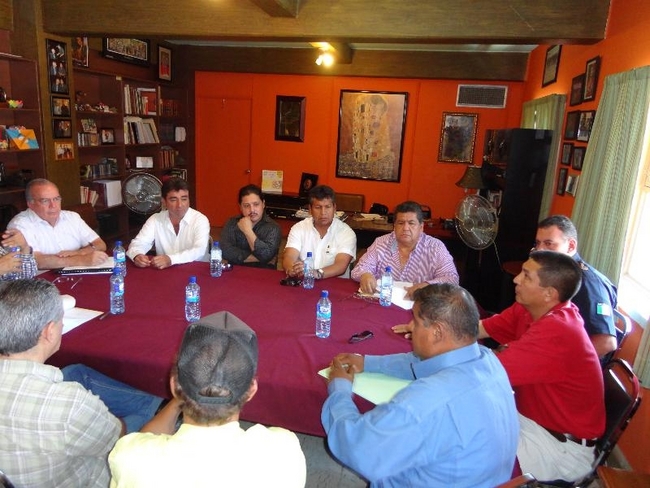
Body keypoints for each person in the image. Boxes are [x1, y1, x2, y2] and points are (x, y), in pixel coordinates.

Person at [321, 283, 519, 487]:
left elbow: (356, 447)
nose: (410, 327)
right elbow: (422, 363)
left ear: (437, 332)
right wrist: (369, 363)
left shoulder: (422, 403)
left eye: (415, 321)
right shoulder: (487, 360)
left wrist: (339, 390)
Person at [108, 311, 307, 487]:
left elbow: (144, 440)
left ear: (174, 385)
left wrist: (180, 396)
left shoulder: (130, 457)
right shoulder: (283, 449)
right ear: (252, 390)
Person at [0, 279, 165, 487]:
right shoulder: (70, 403)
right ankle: (164, 407)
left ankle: (153, 403)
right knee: (143, 414)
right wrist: (103, 415)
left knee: (75, 372)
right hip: (92, 477)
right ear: (49, 332)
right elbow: (117, 438)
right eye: (60, 320)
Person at [479, 251, 605, 482]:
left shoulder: (558, 331)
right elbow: (481, 329)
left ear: (549, 293)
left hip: (558, 447)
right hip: (530, 419)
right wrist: (434, 330)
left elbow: (486, 375)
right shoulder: (529, 308)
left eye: (526, 276)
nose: (516, 279)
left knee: (468, 457)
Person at [535, 215, 618, 361]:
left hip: (569, 361)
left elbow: (606, 343)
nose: (540, 250)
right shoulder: (556, 272)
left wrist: (560, 364)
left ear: (571, 246)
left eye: (549, 244)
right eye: (538, 243)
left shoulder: (589, 284)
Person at [352, 200, 459, 298]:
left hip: (419, 304)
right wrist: (365, 275)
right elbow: (360, 268)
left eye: (411, 223)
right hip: (384, 302)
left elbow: (452, 279)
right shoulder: (381, 242)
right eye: (401, 223)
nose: (405, 228)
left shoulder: (435, 247)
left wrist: (427, 286)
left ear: (421, 227)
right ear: (394, 226)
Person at [5, 178, 110, 270]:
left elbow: (100, 244)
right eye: (45, 201)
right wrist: (81, 260)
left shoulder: (72, 217)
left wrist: (77, 253)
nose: (53, 205)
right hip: (42, 280)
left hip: (77, 273)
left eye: (56, 199)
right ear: (30, 204)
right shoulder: (19, 225)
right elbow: (36, 261)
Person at [127, 177, 210, 270]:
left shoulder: (200, 220)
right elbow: (139, 243)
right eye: (173, 200)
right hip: (166, 271)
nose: (180, 205)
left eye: (184, 199)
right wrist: (137, 255)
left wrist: (171, 259)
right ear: (164, 201)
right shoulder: (155, 219)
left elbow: (199, 250)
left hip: (197, 269)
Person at [282, 185, 356, 279]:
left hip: (334, 284)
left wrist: (317, 273)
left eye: (327, 207)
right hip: (304, 282)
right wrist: (291, 269)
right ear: (310, 209)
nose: (323, 212)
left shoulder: (346, 233)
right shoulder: (298, 228)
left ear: (334, 208)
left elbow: (341, 266)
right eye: (318, 207)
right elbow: (289, 256)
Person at [220, 184, 282, 268]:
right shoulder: (232, 223)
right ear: (240, 207)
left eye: (256, 204)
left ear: (263, 204)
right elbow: (225, 251)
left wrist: (248, 231)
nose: (252, 210)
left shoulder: (273, 227)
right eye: (246, 206)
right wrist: (259, 258)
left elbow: (266, 254)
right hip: (235, 271)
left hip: (263, 273)